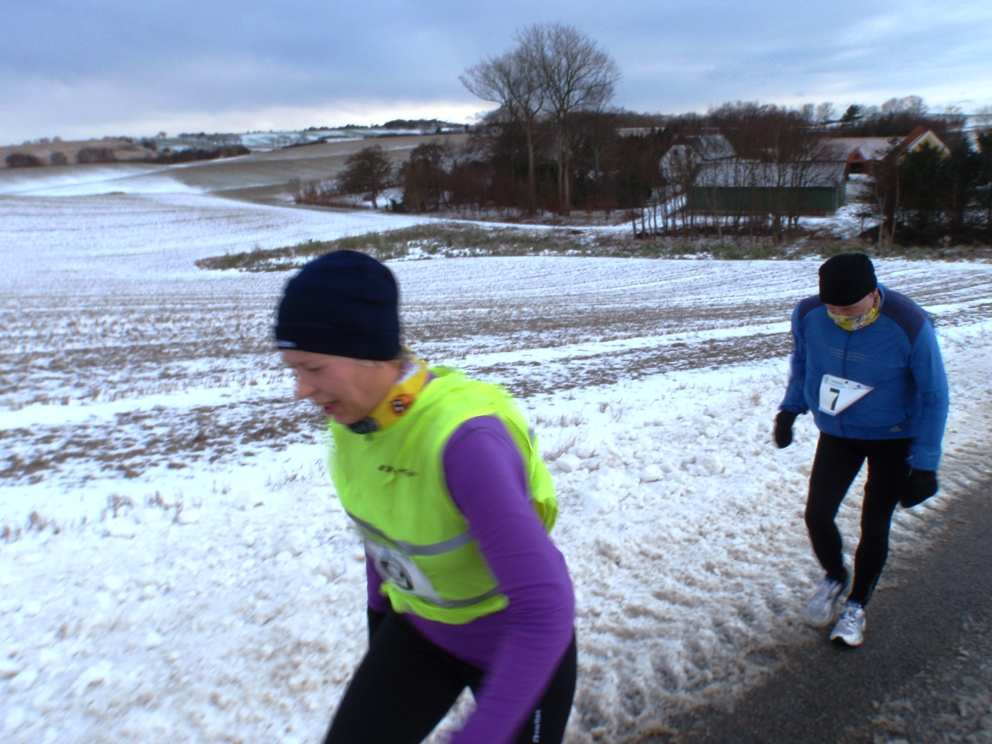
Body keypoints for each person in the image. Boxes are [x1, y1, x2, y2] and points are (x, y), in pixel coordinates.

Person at [274, 250, 577, 744]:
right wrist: (379, 627)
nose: (300, 389)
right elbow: (384, 535)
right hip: (422, 634)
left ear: (367, 351)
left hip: (518, 644)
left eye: (312, 367)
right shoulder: (354, 430)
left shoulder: (465, 443)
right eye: (293, 368)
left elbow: (545, 606)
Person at [774, 253, 949, 647]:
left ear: (873, 294)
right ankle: (836, 576)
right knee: (817, 515)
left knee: (874, 524)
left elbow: (935, 396)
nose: (840, 316)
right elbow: (802, 363)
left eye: (849, 308)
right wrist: (789, 409)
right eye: (831, 308)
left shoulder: (909, 324)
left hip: (893, 437)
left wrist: (925, 464)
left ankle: (856, 606)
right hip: (838, 432)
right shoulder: (809, 314)